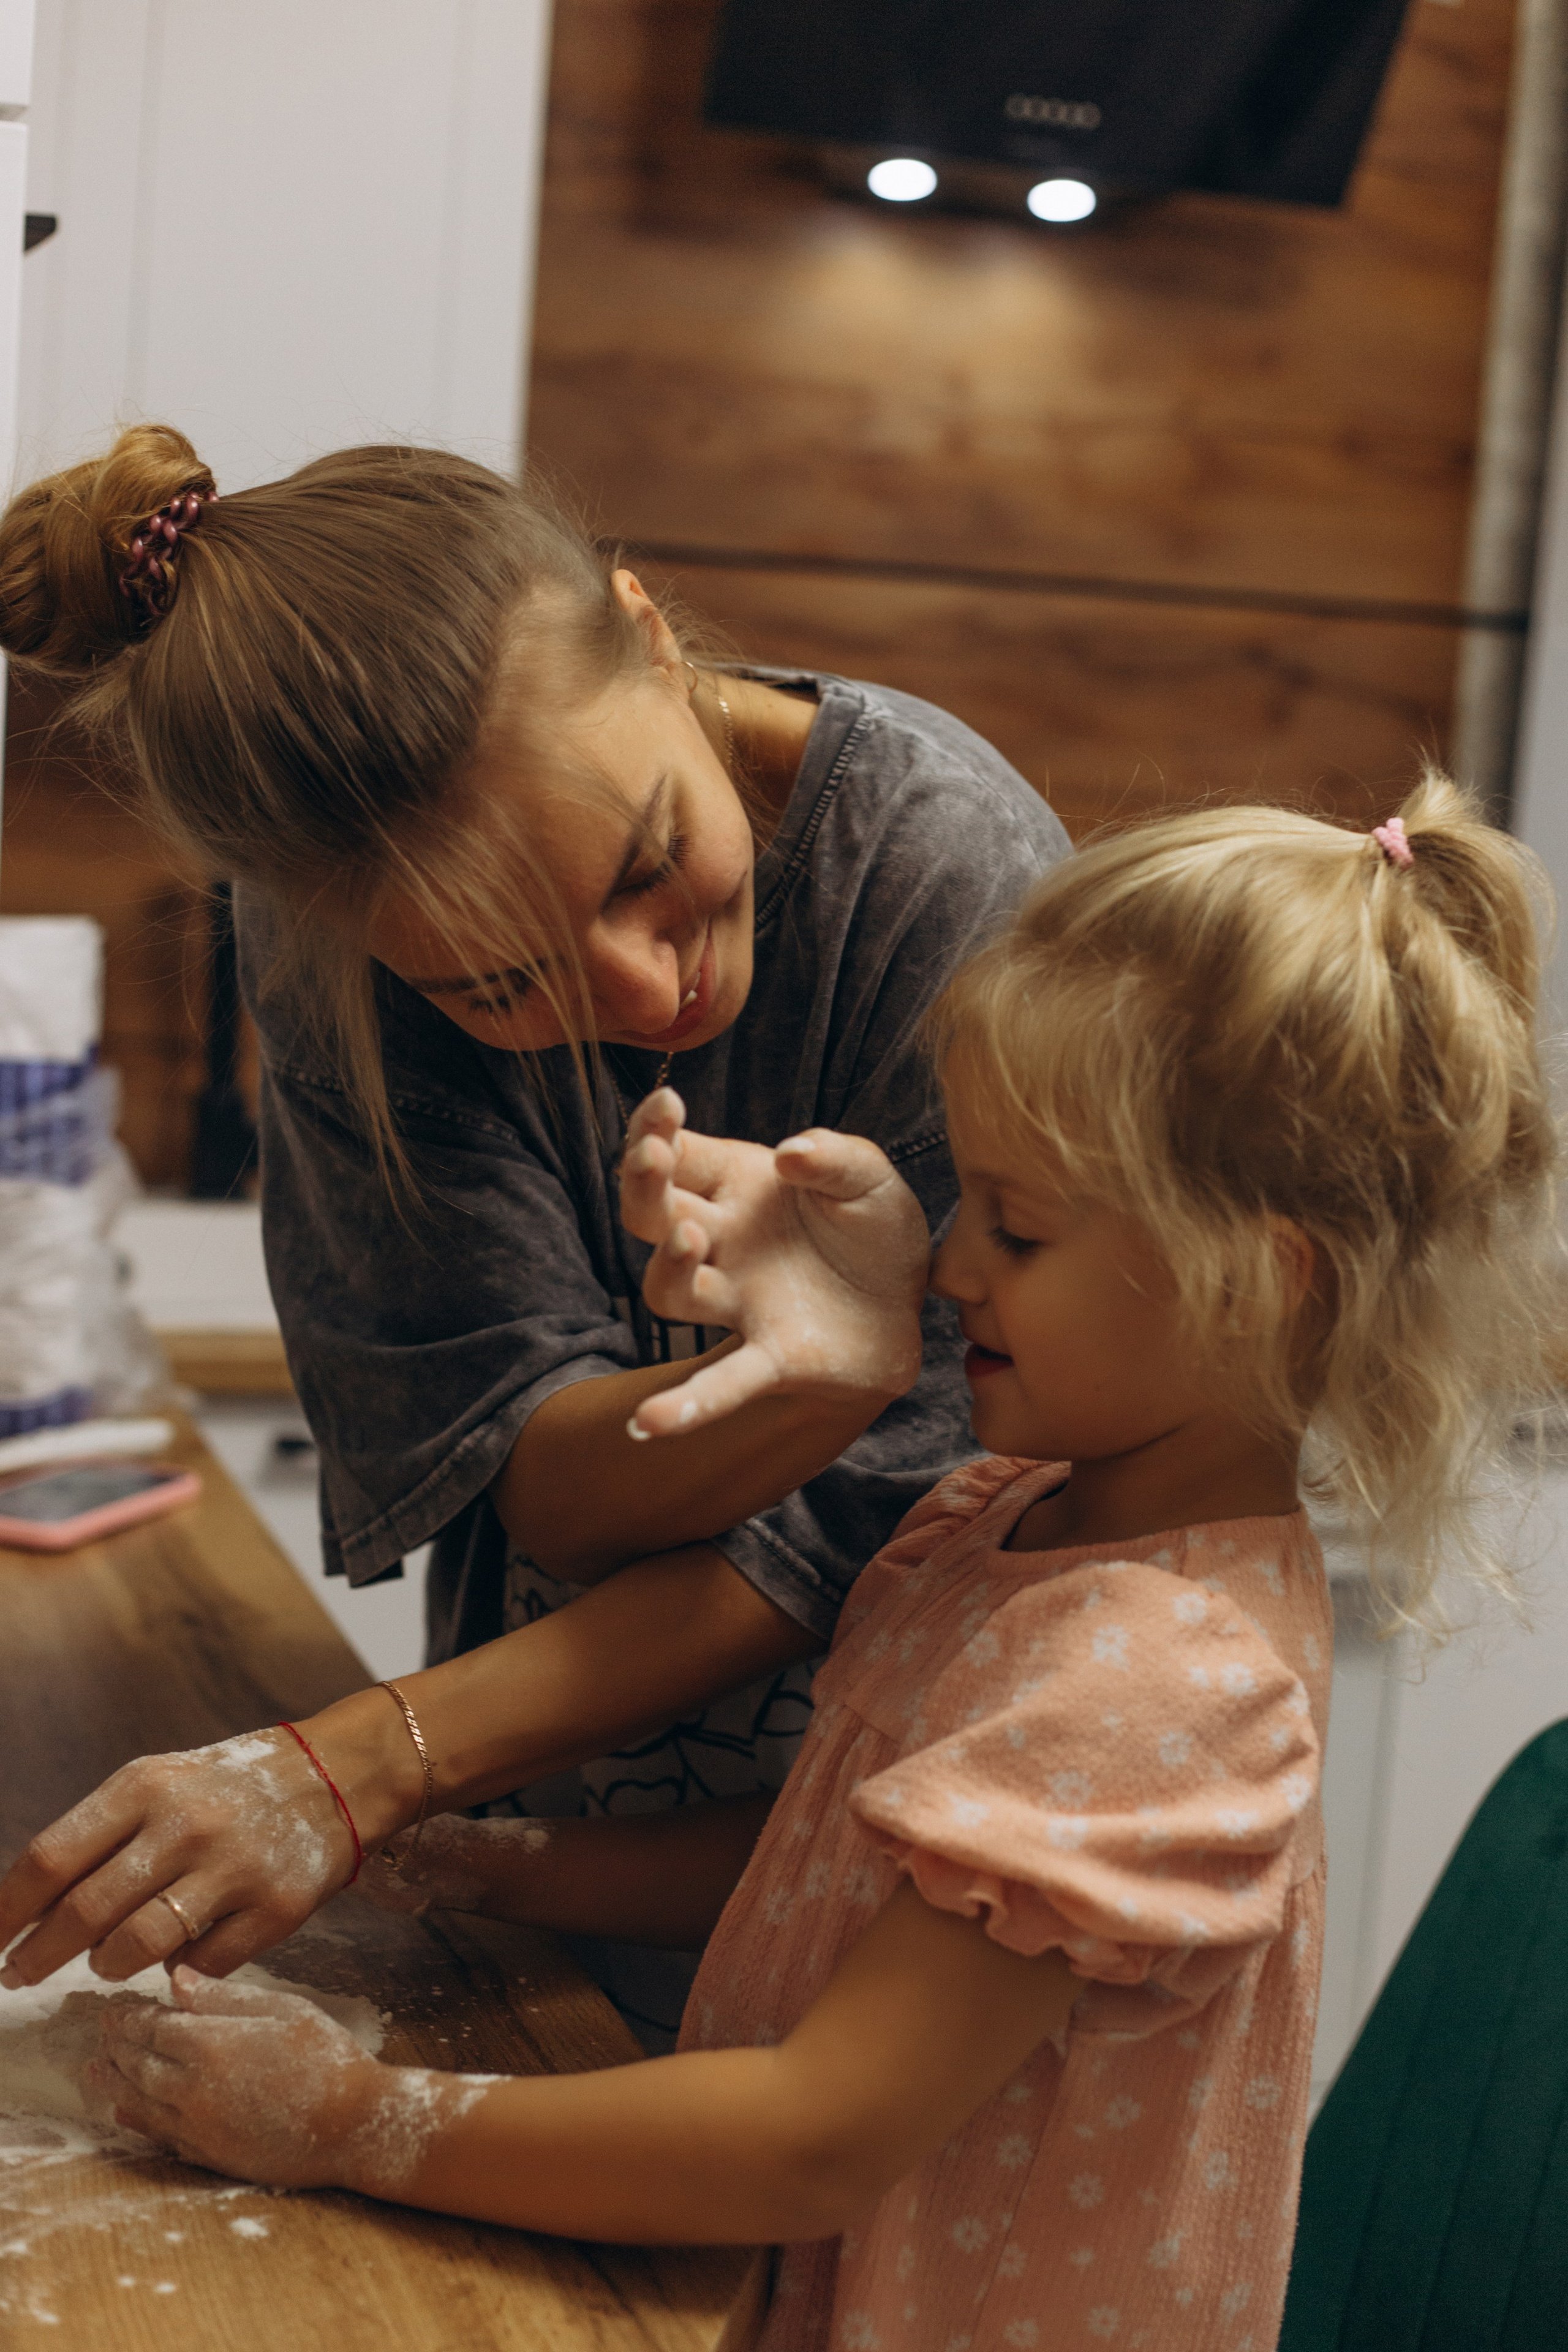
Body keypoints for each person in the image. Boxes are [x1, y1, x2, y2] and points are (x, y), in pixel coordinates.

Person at [88, 775, 1557, 2351]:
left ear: (1251, 1287)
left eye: (1017, 1228)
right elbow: (830, 1863)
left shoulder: (1164, 1679)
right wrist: (459, 1856)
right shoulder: (1002, 1513)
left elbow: (808, 2137)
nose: (948, 1264)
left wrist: (345, 2121)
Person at [0, 424, 1067, 2042]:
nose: (645, 996)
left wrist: (363, 1761)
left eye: (649, 865)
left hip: (926, 1879)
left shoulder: (945, 878)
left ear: (646, 629)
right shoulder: (328, 941)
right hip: (570, 1842)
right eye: (501, 988)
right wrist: (807, 1393)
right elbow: (541, 1484)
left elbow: (890, 1529)